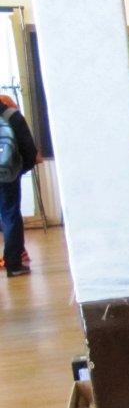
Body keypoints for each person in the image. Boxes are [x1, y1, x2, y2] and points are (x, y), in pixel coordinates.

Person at [0, 96, 37, 278]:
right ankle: (14, 265)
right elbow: (29, 150)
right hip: (8, 175)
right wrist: (20, 169)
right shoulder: (12, 116)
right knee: (11, 216)